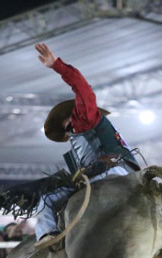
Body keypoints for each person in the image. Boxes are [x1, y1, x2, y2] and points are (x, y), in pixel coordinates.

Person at [33, 42, 139, 241]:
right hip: (129, 171)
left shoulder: (84, 119)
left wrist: (57, 65)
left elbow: (83, 89)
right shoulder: (89, 135)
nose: (67, 132)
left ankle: (48, 239)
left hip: (108, 173)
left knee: (47, 199)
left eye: (64, 126)